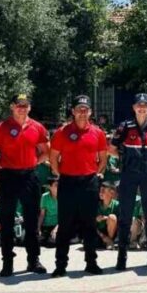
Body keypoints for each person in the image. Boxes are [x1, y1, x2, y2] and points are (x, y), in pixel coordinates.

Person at [0, 93, 50, 277]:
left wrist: (34, 162)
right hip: (9, 177)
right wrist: (1, 166)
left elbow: (46, 151)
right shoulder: (0, 128)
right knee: (6, 220)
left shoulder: (37, 127)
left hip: (30, 176)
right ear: (12, 107)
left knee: (31, 220)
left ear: (29, 107)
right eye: (18, 105)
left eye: (25, 105)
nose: (22, 108)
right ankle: (7, 262)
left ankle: (33, 260)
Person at [49, 95, 108, 277]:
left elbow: (103, 158)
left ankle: (91, 263)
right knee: (65, 225)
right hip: (68, 182)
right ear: (73, 111)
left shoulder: (98, 133)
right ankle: (60, 265)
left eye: (85, 109)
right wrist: (60, 174)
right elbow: (53, 157)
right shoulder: (61, 132)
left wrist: (95, 173)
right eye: (79, 109)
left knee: (89, 225)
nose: (82, 113)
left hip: (89, 182)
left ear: (90, 112)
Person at [110, 93, 147, 271]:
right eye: (138, 105)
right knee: (125, 216)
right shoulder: (125, 126)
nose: (142, 108)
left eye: (145, 105)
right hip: (129, 175)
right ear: (134, 107)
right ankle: (122, 257)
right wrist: (124, 157)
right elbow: (111, 148)